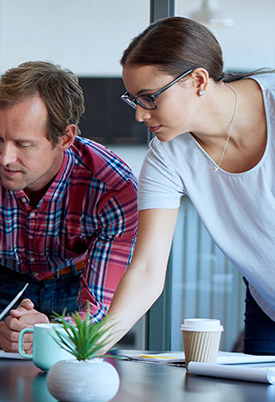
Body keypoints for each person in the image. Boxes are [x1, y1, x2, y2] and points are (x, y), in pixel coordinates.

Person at [0, 61, 139, 352]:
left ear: (64, 138)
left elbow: (101, 313)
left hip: (76, 286)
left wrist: (52, 333)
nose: (5, 158)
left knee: (84, 378)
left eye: (23, 144)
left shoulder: (113, 187)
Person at [102, 17, 275, 354]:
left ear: (198, 80)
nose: (140, 114)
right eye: (133, 99)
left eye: (149, 97)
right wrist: (93, 344)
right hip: (267, 304)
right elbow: (148, 269)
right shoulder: (167, 155)